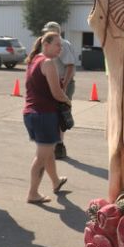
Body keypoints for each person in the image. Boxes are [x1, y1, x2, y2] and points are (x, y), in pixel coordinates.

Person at [23, 31, 71, 204]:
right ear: (46, 44)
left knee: (48, 150)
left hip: (32, 113)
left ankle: (56, 182)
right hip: (43, 114)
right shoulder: (48, 62)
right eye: (58, 44)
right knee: (42, 156)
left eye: (62, 45)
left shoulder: (34, 60)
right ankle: (33, 193)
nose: (61, 48)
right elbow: (57, 93)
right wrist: (67, 100)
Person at [41, 22, 76, 159]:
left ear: (55, 32)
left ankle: (59, 146)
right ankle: (54, 145)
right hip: (55, 82)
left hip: (62, 83)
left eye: (48, 32)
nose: (45, 34)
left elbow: (70, 66)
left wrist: (64, 86)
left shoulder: (62, 44)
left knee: (61, 115)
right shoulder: (52, 44)